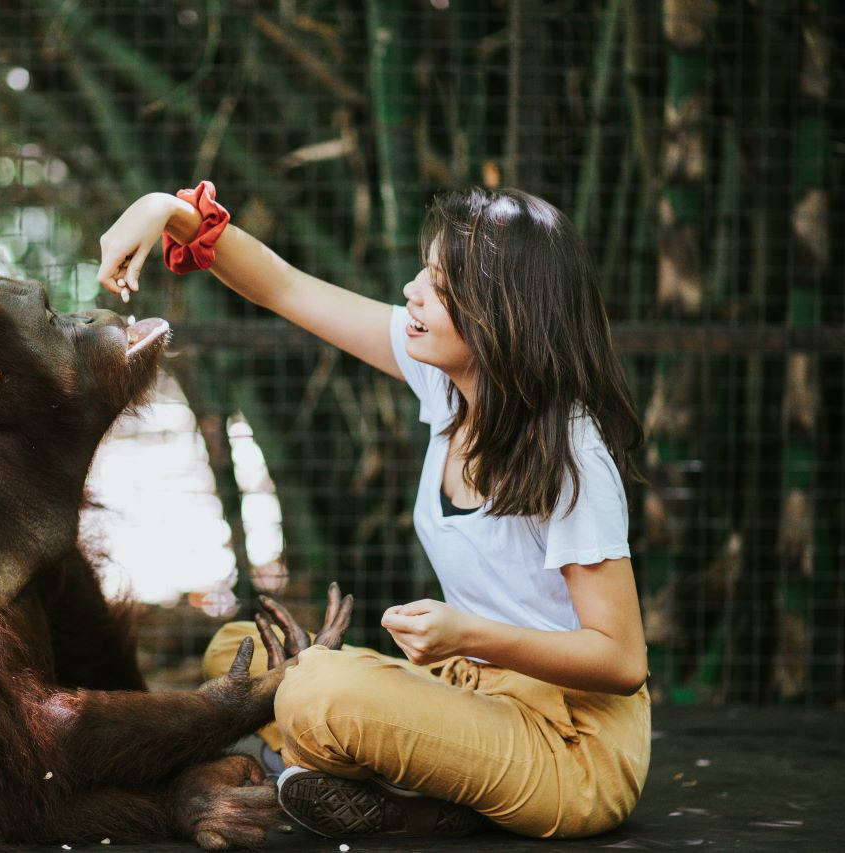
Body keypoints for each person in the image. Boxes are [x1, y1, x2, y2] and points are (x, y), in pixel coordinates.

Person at [96, 183, 650, 841]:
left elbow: (621, 660)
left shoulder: (570, 453)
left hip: (570, 747)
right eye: (424, 271)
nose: (413, 290)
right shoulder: (448, 385)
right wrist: (167, 210)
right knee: (238, 654)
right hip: (469, 695)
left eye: (439, 286)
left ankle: (357, 772)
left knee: (313, 692)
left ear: (502, 315)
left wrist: (468, 633)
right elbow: (284, 287)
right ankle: (411, 791)